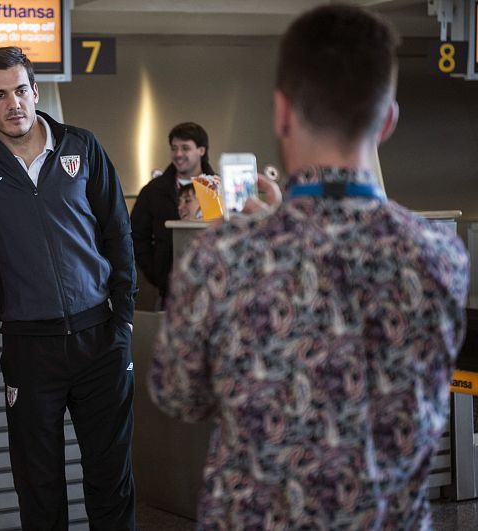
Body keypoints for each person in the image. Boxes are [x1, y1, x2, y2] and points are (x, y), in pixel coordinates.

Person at [149, 4, 469, 529]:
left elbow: (179, 394)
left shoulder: (222, 256)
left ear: (281, 112)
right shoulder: (440, 253)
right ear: (388, 119)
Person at [0, 46, 137, 530]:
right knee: (38, 484)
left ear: (35, 91)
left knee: (110, 475)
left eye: (20, 90)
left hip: (100, 336)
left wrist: (123, 322)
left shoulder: (81, 145)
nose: (13, 103)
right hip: (30, 346)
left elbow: (118, 233)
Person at [130, 122, 215, 305]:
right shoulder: (153, 191)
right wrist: (156, 273)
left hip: (212, 288)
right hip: (169, 290)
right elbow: (136, 235)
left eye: (185, 148)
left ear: (201, 150)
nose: (178, 154)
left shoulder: (217, 189)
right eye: (174, 148)